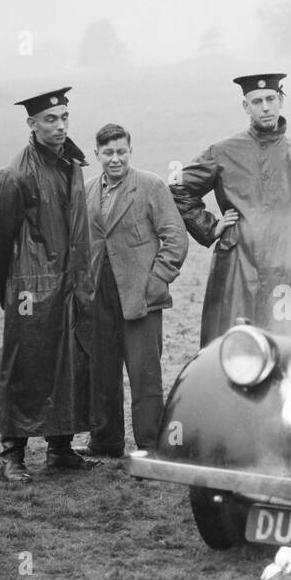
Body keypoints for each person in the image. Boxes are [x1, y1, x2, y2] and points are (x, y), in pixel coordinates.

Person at [0, 86, 99, 481]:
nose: (60, 125)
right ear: (32, 124)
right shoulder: (14, 176)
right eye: (50, 119)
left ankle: (60, 449)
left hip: (71, 284)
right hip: (31, 290)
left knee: (69, 364)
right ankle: (12, 454)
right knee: (23, 367)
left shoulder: (70, 163)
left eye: (64, 117)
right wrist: (9, 291)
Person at [171, 72, 291, 346]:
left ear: (281, 102)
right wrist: (210, 226)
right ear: (245, 107)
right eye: (257, 100)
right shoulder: (224, 152)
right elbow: (179, 187)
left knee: (286, 345)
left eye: (271, 99)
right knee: (231, 344)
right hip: (239, 267)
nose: (265, 107)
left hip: (287, 267)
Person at [82, 123, 187, 456]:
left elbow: (175, 238)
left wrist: (157, 282)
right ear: (96, 154)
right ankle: (105, 442)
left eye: (122, 152)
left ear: (131, 151)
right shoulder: (85, 190)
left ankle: (149, 445)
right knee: (101, 374)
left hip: (140, 296)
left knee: (145, 376)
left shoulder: (150, 185)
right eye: (108, 153)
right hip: (100, 295)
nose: (116, 159)